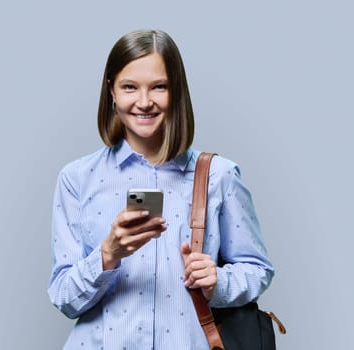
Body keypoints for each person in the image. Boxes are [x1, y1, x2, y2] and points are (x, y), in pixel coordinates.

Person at [48, 29, 274, 350]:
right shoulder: (77, 178)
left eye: (159, 87)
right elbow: (63, 297)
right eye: (129, 87)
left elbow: (258, 271)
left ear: (176, 91)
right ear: (111, 90)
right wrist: (107, 255)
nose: (144, 102)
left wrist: (218, 282)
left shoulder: (219, 175)